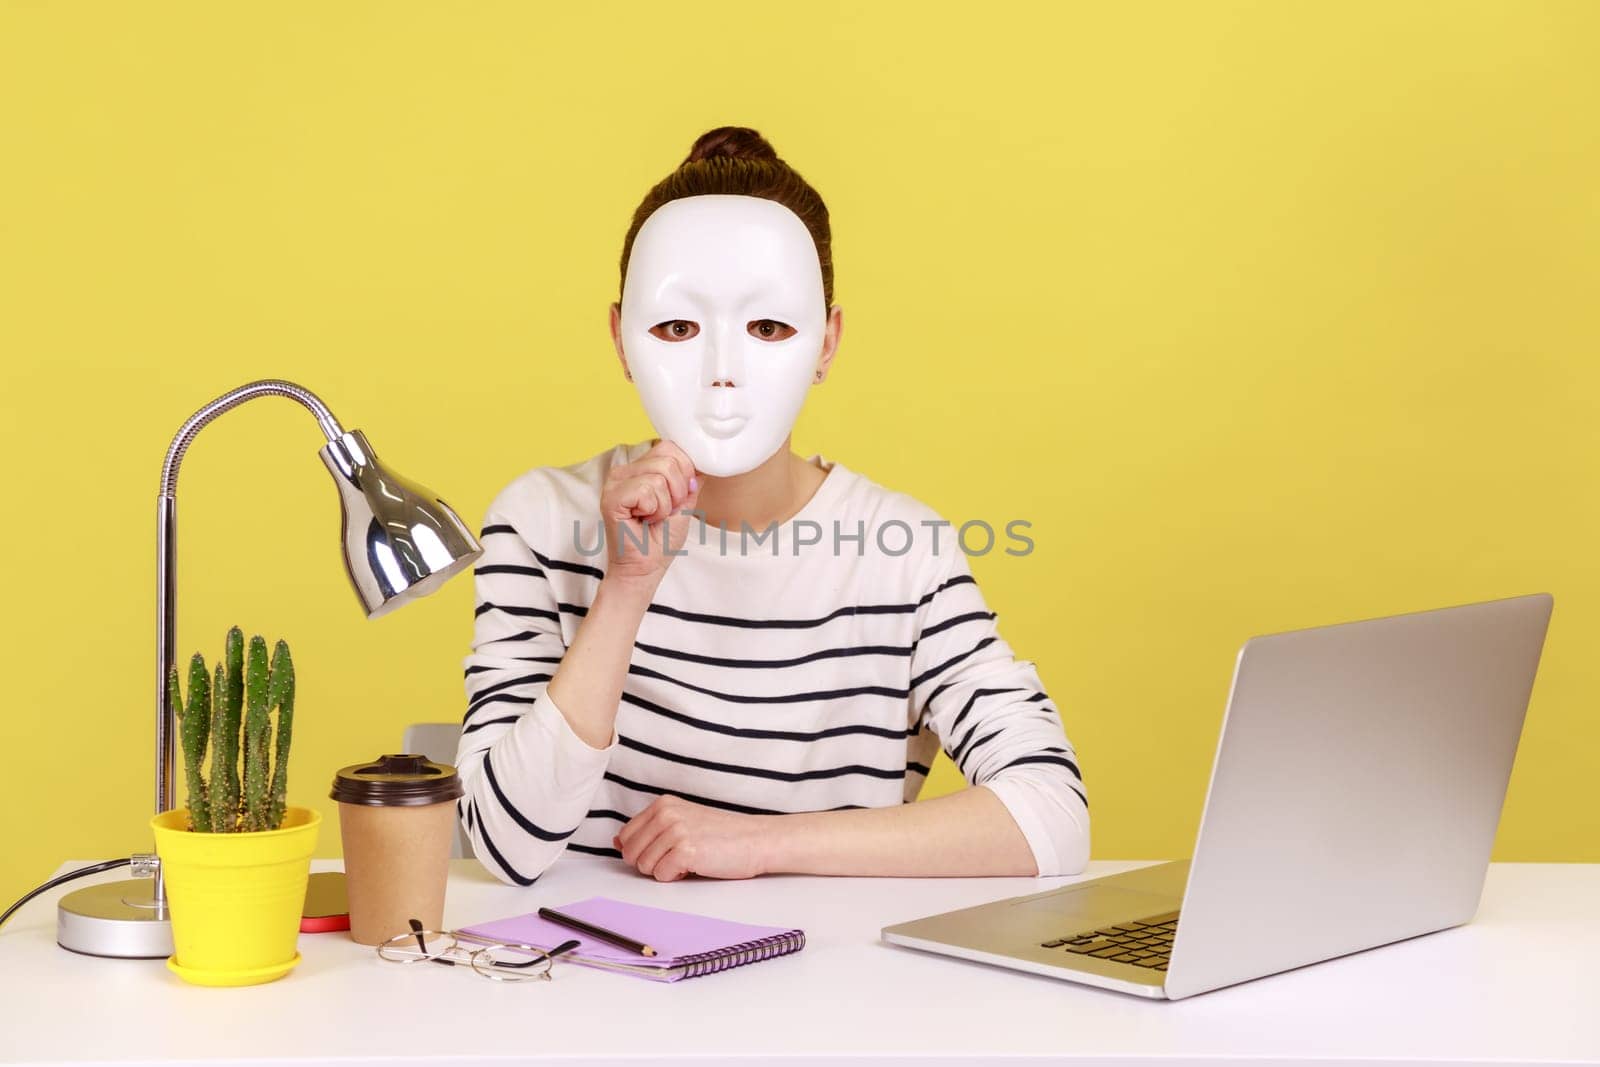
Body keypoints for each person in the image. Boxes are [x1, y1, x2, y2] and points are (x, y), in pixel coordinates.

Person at [455, 126, 1088, 884]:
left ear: (827, 341)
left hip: (824, 987)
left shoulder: (905, 550)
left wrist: (759, 843)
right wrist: (626, 588)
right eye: (678, 327)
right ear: (621, 340)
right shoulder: (539, 522)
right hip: (585, 979)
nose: (724, 370)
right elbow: (502, 845)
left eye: (768, 327)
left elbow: (1053, 814)